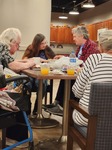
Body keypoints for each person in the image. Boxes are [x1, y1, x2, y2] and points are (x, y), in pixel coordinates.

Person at [44, 25, 100, 116]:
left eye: (74, 36)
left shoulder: (92, 47)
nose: (73, 39)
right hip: (78, 74)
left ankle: (63, 107)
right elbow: (75, 60)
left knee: (68, 81)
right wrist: (64, 58)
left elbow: (87, 65)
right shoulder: (81, 47)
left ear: (81, 36)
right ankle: (57, 103)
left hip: (86, 78)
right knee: (64, 78)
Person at [0, 28, 35, 146]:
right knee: (25, 87)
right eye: (17, 44)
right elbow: (13, 65)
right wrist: (30, 63)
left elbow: (9, 61)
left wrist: (25, 62)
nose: (18, 47)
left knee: (23, 83)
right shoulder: (3, 47)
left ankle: (12, 134)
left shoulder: (1, 47)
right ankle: (15, 136)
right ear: (11, 41)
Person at [72, 29, 112, 126]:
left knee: (72, 104)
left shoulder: (95, 59)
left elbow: (77, 92)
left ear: (101, 46)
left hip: (90, 118)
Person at [22, 33, 55, 115]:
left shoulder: (47, 48)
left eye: (45, 42)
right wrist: (35, 60)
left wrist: (47, 60)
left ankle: (37, 106)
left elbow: (53, 59)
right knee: (27, 83)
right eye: (42, 43)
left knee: (41, 83)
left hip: (42, 73)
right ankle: (28, 106)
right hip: (31, 73)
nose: (45, 45)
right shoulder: (31, 48)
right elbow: (24, 59)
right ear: (37, 43)